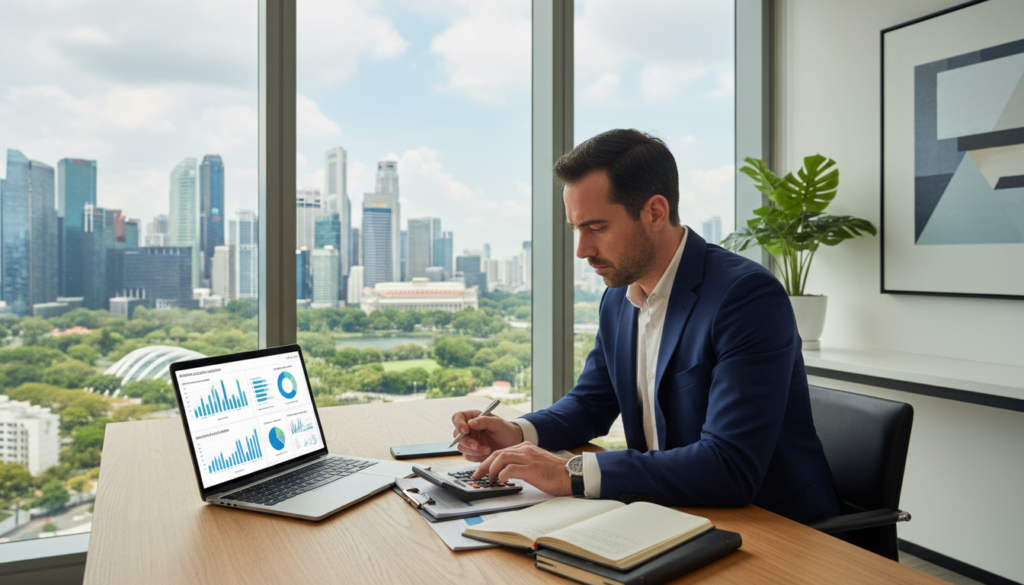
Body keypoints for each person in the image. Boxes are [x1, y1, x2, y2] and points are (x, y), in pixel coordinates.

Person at [452, 129, 842, 524]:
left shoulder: (745, 297)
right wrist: (517, 432)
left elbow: (729, 466)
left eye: (597, 228)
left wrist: (569, 472)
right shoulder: (618, 297)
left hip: (773, 527)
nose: (582, 250)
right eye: (577, 229)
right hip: (666, 511)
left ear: (655, 212)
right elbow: (590, 403)